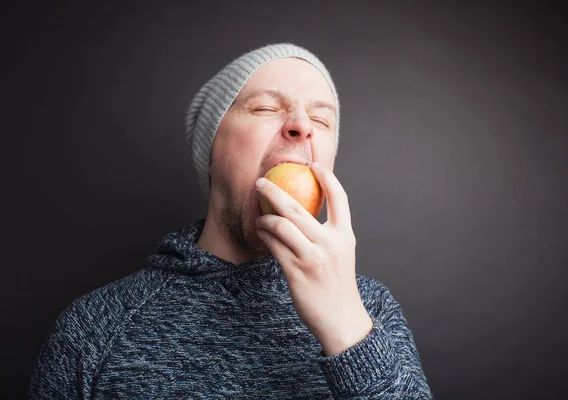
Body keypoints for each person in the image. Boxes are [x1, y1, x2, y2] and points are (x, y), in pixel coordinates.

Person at [28, 43, 434, 399]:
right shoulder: (95, 327)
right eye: (266, 108)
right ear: (211, 150)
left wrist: (346, 328)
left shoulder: (370, 310)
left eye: (322, 120)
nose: (302, 126)